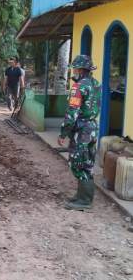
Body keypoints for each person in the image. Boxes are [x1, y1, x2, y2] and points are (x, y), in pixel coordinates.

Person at [57, 55, 101, 211]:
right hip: (93, 129)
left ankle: (84, 201)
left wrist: (63, 133)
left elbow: (72, 113)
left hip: (81, 131)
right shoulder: (96, 84)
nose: (74, 71)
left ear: (81, 69)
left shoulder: (78, 87)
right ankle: (82, 196)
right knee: (87, 163)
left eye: (75, 68)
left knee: (77, 163)